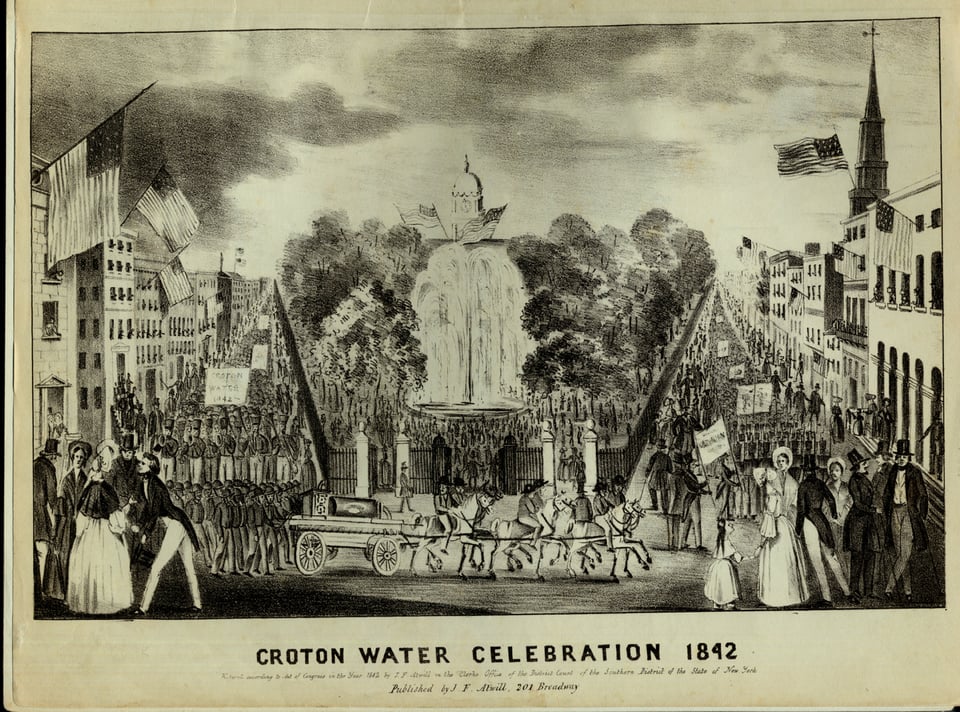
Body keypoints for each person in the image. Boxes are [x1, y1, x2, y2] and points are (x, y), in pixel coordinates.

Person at [66, 440, 134, 615]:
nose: (104, 462)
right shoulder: (98, 487)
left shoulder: (104, 485)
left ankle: (100, 602)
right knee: (97, 562)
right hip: (98, 527)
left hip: (99, 527)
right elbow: (93, 511)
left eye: (107, 459)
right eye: (102, 459)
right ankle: (96, 603)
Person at [129, 453, 202, 614]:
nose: (140, 465)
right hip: (176, 523)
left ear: (151, 468)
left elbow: (154, 512)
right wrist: (139, 524)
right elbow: (147, 510)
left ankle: (143, 607)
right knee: (188, 566)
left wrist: (145, 533)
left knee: (157, 567)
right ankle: (197, 604)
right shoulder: (144, 484)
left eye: (144, 463)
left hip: (177, 524)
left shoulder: (156, 485)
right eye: (140, 462)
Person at [795, 456, 851, 607]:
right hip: (822, 520)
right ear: (814, 471)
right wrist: (833, 514)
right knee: (831, 557)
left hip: (808, 522)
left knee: (817, 561)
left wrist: (797, 530)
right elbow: (831, 500)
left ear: (805, 472)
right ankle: (847, 592)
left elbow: (801, 510)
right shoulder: (820, 483)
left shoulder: (803, 486)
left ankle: (827, 597)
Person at [753, 459, 809, 608]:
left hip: (779, 525)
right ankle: (781, 596)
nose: (780, 464)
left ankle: (779, 597)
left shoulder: (785, 487)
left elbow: (777, 513)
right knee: (781, 560)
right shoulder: (773, 485)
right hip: (781, 524)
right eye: (778, 461)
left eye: (783, 461)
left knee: (779, 560)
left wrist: (762, 540)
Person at [882, 439, 929, 604]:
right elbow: (887, 491)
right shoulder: (893, 470)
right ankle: (908, 591)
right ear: (896, 457)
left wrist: (920, 515)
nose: (901, 458)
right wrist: (885, 509)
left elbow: (923, 495)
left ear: (908, 458)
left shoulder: (915, 472)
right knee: (902, 554)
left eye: (904, 456)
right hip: (894, 512)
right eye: (899, 456)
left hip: (909, 514)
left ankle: (888, 588)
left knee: (905, 552)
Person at [51, 441, 93, 600]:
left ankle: (77, 595)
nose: (78, 460)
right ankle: (65, 594)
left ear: (84, 460)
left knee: (81, 559)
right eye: (76, 457)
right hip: (67, 524)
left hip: (81, 524)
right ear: (72, 457)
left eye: (81, 457)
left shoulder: (85, 478)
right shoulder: (66, 479)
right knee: (65, 557)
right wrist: (57, 530)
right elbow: (60, 506)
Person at [843, 449, 880, 601]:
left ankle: (868, 590)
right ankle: (854, 592)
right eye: (864, 463)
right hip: (857, 522)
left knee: (870, 554)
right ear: (858, 465)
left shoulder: (865, 479)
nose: (867, 465)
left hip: (868, 522)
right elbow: (858, 504)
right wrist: (874, 509)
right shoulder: (854, 481)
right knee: (857, 557)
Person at [704, 519, 750, 610]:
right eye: (729, 525)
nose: (732, 526)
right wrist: (750, 557)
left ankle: (717, 604)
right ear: (724, 529)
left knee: (719, 585)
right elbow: (737, 558)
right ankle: (729, 605)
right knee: (727, 585)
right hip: (725, 567)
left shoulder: (720, 542)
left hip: (717, 567)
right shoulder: (727, 543)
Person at [34, 438, 60, 598]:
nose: (56, 459)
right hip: (39, 515)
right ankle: (42, 592)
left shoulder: (34, 464)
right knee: (42, 552)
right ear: (52, 456)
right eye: (55, 456)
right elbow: (52, 497)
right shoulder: (48, 469)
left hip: (28, 513)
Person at [644, 440, 673, 513]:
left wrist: (647, 474)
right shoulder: (667, 457)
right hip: (663, 476)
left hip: (656, 475)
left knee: (651, 487)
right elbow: (670, 469)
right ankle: (665, 508)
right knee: (664, 491)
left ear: (657, 448)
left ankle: (655, 505)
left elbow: (649, 467)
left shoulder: (654, 456)